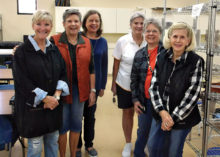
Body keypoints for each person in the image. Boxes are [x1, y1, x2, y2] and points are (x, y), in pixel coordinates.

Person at [13, 10, 69, 157]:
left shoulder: (54, 49)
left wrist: (55, 97)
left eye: (47, 24)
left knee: (52, 144)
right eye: (39, 24)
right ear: (33, 25)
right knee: (36, 148)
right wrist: (45, 98)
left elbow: (63, 72)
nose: (42, 28)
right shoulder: (22, 52)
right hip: (33, 111)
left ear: (51, 26)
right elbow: (22, 82)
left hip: (53, 108)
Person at [147, 22, 204, 157]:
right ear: (169, 38)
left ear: (188, 40)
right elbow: (154, 86)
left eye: (182, 37)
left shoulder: (196, 61)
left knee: (173, 152)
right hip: (160, 113)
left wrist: (171, 118)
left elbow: (192, 94)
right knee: (152, 147)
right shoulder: (162, 56)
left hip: (182, 118)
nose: (178, 40)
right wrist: (162, 112)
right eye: (175, 36)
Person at [50, 9, 96, 157]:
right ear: (63, 24)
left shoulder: (87, 43)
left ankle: (72, 154)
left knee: (76, 124)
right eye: (69, 21)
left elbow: (91, 69)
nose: (73, 24)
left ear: (80, 24)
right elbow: (38, 48)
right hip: (60, 90)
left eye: (76, 21)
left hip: (80, 90)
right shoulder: (54, 41)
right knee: (62, 126)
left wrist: (92, 91)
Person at [111, 12, 146, 157]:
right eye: (135, 23)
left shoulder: (149, 40)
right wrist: (113, 84)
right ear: (130, 25)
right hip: (124, 83)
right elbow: (116, 63)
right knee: (128, 113)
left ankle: (143, 143)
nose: (138, 26)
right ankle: (128, 143)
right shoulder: (122, 41)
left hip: (144, 86)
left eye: (141, 23)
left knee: (144, 115)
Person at [130, 18, 164, 157]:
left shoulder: (167, 53)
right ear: (144, 33)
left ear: (160, 34)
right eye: (148, 31)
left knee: (158, 135)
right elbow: (134, 79)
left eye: (154, 31)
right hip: (144, 101)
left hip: (161, 103)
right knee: (142, 132)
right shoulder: (139, 54)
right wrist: (135, 100)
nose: (150, 34)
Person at [76, 10, 108, 157]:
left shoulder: (103, 41)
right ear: (85, 23)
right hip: (79, 84)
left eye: (97, 20)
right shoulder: (78, 38)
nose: (94, 23)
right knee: (77, 115)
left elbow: (104, 64)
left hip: (95, 86)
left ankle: (89, 145)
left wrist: (102, 86)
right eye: (91, 20)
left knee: (90, 116)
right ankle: (77, 146)